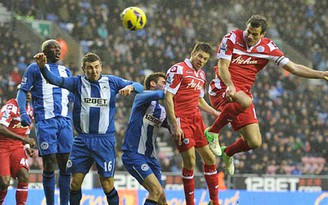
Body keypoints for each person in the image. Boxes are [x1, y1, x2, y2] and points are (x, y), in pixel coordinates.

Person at [205, 14, 328, 176]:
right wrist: (230, 85)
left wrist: (320, 74)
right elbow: (222, 66)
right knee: (246, 101)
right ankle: (213, 131)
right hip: (222, 88)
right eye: (248, 31)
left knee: (254, 142)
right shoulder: (231, 38)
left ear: (262, 35)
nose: (249, 36)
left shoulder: (268, 48)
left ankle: (227, 153)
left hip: (242, 96)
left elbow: (293, 67)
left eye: (255, 34)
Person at [34, 52, 144, 205]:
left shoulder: (111, 81)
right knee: (75, 183)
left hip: (104, 141)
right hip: (82, 141)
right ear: (83, 69)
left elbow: (140, 86)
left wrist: (131, 87)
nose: (94, 71)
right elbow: (55, 80)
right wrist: (42, 68)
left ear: (101, 67)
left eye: (97, 67)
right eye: (90, 68)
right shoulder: (76, 83)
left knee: (107, 185)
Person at [17, 39, 74, 205]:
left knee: (65, 163)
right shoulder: (35, 68)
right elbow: (23, 91)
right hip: (45, 122)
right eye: (53, 48)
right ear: (44, 51)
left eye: (58, 48)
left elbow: (71, 95)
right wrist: (23, 112)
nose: (57, 50)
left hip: (64, 121)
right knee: (49, 163)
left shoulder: (66, 71)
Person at [164, 42, 220, 205]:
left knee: (210, 158)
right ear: (193, 53)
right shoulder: (178, 69)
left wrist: (215, 112)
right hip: (181, 120)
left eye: (205, 59)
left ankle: (214, 201)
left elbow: (199, 100)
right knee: (190, 160)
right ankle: (190, 203)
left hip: (196, 120)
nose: (201, 60)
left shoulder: (201, 75)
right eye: (200, 56)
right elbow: (168, 97)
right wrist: (175, 124)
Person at [122, 72, 168, 205]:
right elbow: (162, 94)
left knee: (162, 199)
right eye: (163, 83)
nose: (166, 86)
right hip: (134, 154)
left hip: (151, 158)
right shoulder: (141, 97)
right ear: (153, 83)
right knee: (155, 191)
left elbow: (172, 126)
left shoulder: (162, 110)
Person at [0, 87, 36, 205]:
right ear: (19, 93)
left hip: (17, 147)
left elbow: (24, 133)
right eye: (26, 92)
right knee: (4, 182)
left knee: (24, 175)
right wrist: (23, 139)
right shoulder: (11, 107)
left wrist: (27, 147)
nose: (29, 95)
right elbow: (1, 127)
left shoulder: (30, 110)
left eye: (31, 92)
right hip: (2, 146)